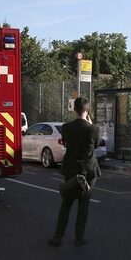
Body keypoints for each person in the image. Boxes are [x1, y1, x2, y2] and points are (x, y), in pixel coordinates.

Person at [48, 97, 101, 247]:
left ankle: (58, 237)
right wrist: (91, 125)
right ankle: (79, 238)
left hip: (70, 168)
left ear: (75, 110)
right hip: (88, 171)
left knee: (66, 203)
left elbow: (66, 143)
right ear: (87, 110)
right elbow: (96, 145)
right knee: (84, 205)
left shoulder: (66, 127)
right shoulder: (93, 128)